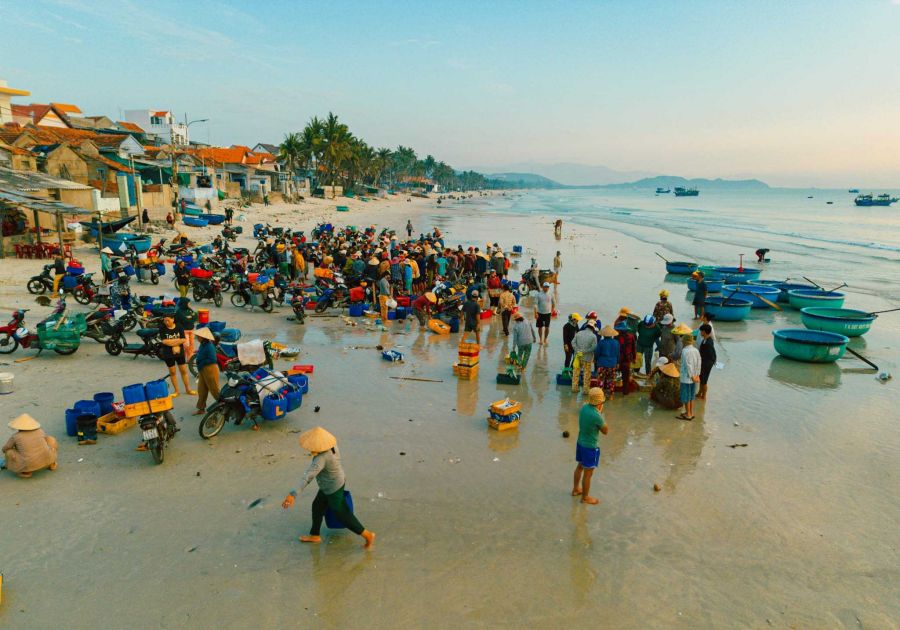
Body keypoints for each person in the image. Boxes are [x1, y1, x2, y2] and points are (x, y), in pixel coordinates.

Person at [281, 427, 375, 549]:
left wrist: (292, 494)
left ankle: (368, 535)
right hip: (335, 481)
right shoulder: (333, 446)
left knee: (342, 514)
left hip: (332, 488)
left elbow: (307, 477)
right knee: (317, 506)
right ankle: (315, 535)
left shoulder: (321, 459)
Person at [571, 388, 608, 505]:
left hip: (581, 443)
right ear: (600, 404)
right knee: (588, 474)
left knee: (580, 467)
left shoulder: (584, 408)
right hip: (591, 447)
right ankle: (585, 497)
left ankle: (576, 489)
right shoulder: (597, 416)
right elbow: (605, 431)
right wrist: (601, 416)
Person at [2, 414, 57, 478]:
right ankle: (52, 463)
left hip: (29, 463)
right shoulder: (40, 431)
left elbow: (5, 448)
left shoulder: (16, 437)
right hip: (47, 457)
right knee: (50, 439)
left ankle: (25, 471)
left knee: (9, 452)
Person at [157, 315, 194, 398]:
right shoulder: (162, 328)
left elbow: (183, 339)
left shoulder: (179, 326)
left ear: (173, 319)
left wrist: (173, 343)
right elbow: (164, 341)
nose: (166, 322)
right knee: (172, 372)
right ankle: (176, 391)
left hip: (179, 352)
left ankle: (188, 389)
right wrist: (177, 342)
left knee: (183, 371)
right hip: (168, 354)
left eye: (168, 320)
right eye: (165, 321)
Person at [193, 327, 220, 415]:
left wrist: (201, 362)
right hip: (203, 369)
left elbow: (213, 359)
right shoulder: (203, 344)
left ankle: (224, 406)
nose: (197, 337)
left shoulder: (209, 346)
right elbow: (203, 353)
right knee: (201, 390)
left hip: (210, 369)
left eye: (198, 336)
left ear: (203, 337)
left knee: (214, 390)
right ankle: (201, 408)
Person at [678, 327, 701, 421]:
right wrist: (697, 375)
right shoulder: (696, 350)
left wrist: (691, 376)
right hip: (695, 376)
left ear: (685, 342)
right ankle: (690, 412)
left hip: (687, 378)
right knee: (691, 396)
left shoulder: (685, 351)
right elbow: (699, 362)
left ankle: (688, 415)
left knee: (686, 396)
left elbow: (688, 365)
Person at [571, 320, 598, 395]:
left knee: (576, 373)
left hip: (578, 357)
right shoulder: (593, 336)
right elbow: (594, 347)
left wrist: (578, 350)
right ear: (593, 328)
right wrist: (585, 351)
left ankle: (574, 388)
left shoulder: (579, 333)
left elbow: (572, 342)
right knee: (586, 375)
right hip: (587, 358)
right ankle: (586, 391)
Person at [594, 325, 620, 399]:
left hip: (602, 364)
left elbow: (597, 353)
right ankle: (611, 395)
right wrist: (618, 363)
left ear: (603, 335)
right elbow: (618, 354)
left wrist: (595, 359)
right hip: (612, 364)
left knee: (601, 380)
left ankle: (600, 395)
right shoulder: (616, 342)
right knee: (611, 380)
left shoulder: (601, 342)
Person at [615, 321, 636, 396]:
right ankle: (625, 392)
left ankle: (615, 389)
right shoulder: (631, 336)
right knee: (626, 377)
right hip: (627, 359)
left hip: (619, 359)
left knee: (616, 374)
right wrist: (634, 358)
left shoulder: (616, 337)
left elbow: (615, 349)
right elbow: (634, 348)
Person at [697, 324, 717, 400]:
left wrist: (711, 362)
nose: (700, 333)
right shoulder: (705, 340)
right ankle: (699, 392)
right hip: (703, 362)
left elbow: (712, 354)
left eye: (701, 331)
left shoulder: (709, 342)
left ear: (704, 332)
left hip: (707, 364)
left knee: (704, 380)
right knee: (701, 378)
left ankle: (704, 396)